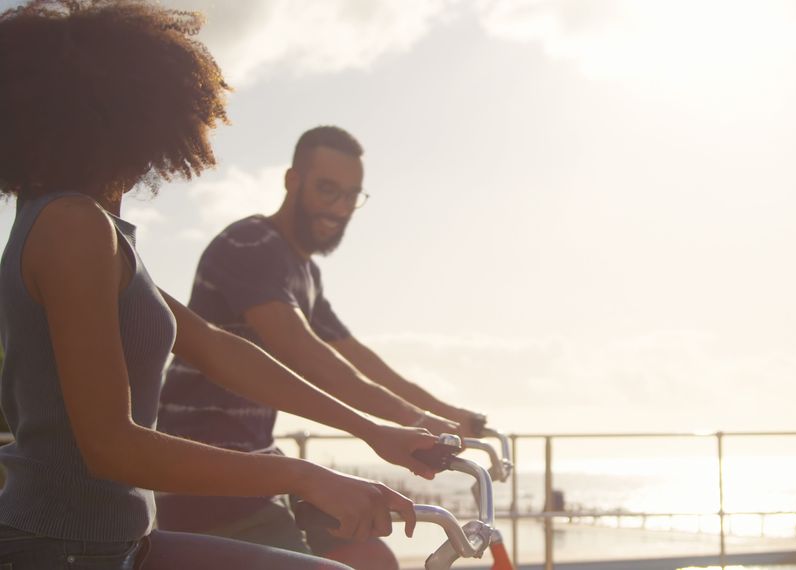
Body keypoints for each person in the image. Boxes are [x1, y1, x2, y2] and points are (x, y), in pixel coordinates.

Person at [0, 2, 438, 568]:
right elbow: (111, 445)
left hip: (123, 541)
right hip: (62, 550)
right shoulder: (72, 227)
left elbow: (214, 347)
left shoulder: (94, 228)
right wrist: (305, 476)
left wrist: (373, 430)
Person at [154, 125, 488, 568]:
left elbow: (359, 358)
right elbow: (305, 352)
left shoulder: (303, 272)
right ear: (293, 181)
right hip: (211, 477)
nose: (339, 208)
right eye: (327, 190)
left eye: (351, 196)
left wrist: (448, 418)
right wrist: (412, 421)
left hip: (260, 469)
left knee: (371, 556)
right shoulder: (252, 244)